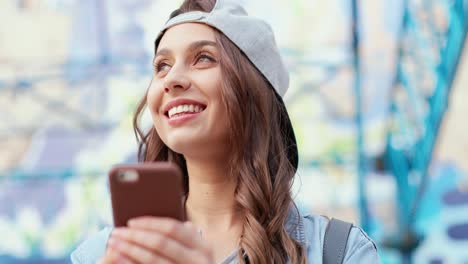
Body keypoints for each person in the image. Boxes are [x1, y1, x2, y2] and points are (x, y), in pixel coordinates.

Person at [71, 0, 380, 263]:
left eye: (203, 58)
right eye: (162, 65)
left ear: (254, 91)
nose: (172, 79)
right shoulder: (99, 254)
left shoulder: (340, 251)